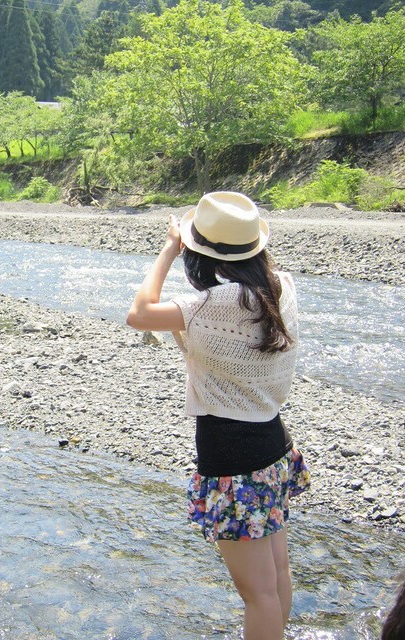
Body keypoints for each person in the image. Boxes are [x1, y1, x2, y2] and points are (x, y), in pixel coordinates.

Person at [126, 191, 310, 640]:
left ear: (200, 253)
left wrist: (168, 250)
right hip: (274, 443)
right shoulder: (281, 286)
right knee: (277, 575)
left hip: (232, 458)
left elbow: (139, 313)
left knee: (257, 594)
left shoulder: (212, 306)